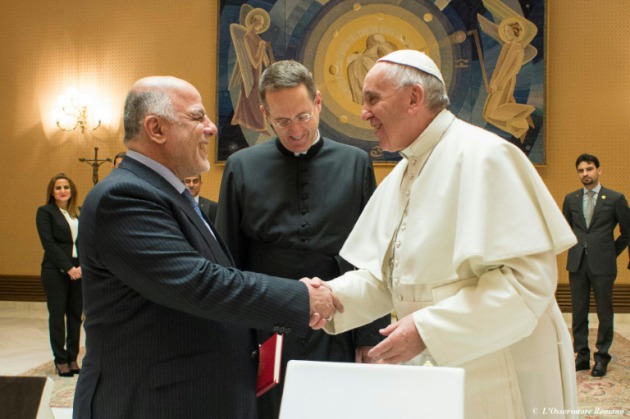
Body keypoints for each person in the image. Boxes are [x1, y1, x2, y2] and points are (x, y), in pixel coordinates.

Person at [317, 50, 580, 418]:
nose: (364, 113)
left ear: (413, 98)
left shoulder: (486, 156)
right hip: (432, 363)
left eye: (373, 99)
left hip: (497, 361)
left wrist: (427, 330)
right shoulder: (402, 175)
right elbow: (388, 280)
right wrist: (329, 297)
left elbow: (527, 283)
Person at [73, 76, 342, 419]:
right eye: (198, 117)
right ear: (156, 128)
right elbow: (200, 284)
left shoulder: (170, 195)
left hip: (192, 394)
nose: (212, 128)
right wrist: (303, 298)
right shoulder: (124, 196)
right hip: (153, 402)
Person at [216, 59, 390, 419]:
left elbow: (370, 255)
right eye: (281, 121)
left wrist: (370, 335)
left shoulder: (356, 163)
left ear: (318, 103)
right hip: (266, 325)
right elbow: (228, 259)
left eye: (302, 116)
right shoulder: (242, 166)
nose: (295, 130)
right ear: (265, 114)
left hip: (338, 320)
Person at [562, 153, 629, 377]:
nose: (585, 174)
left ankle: (601, 358)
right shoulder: (570, 199)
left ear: (599, 170)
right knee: (579, 312)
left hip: (603, 265)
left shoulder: (615, 198)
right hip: (577, 264)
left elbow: (627, 233)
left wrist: (611, 252)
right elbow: (566, 231)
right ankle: (581, 356)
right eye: (581, 170)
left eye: (589, 169)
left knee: (604, 312)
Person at [35, 173, 83, 377]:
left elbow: (84, 242)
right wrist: (68, 268)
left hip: (78, 269)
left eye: (66, 187)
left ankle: (72, 357)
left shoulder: (77, 214)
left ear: (72, 190)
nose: (63, 191)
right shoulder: (45, 212)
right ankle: (60, 359)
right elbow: (49, 244)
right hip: (55, 270)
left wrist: (80, 267)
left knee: (75, 315)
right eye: (58, 188)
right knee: (57, 315)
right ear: (52, 192)